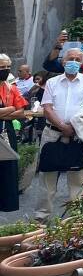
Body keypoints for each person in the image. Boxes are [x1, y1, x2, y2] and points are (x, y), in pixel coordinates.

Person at [34, 48, 83, 219]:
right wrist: (63, 126)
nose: (74, 61)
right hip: (52, 133)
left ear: (82, 63)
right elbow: (47, 107)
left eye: (78, 59)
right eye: (71, 58)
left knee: (78, 177)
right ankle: (42, 217)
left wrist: (75, 124)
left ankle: (75, 217)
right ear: (63, 61)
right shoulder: (52, 82)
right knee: (47, 176)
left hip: (78, 134)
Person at [0, 54, 26, 211]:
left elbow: (21, 112)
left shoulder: (12, 88)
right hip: (5, 125)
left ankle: (6, 204)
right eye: (2, 67)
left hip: (6, 131)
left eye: (7, 67)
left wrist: (5, 111)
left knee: (8, 168)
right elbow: (15, 109)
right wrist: (11, 109)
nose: (5, 70)